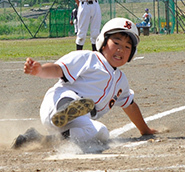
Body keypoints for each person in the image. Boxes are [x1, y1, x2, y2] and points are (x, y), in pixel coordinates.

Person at [12, 18, 158, 149]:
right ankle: (67, 108)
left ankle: (38, 138)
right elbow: (58, 69)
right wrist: (40, 70)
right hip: (54, 104)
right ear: (103, 43)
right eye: (116, 42)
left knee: (100, 132)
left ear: (132, 53)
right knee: (71, 95)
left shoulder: (121, 80)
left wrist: (145, 130)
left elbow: (129, 105)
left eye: (128, 47)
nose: (121, 49)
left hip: (78, 119)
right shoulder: (88, 58)